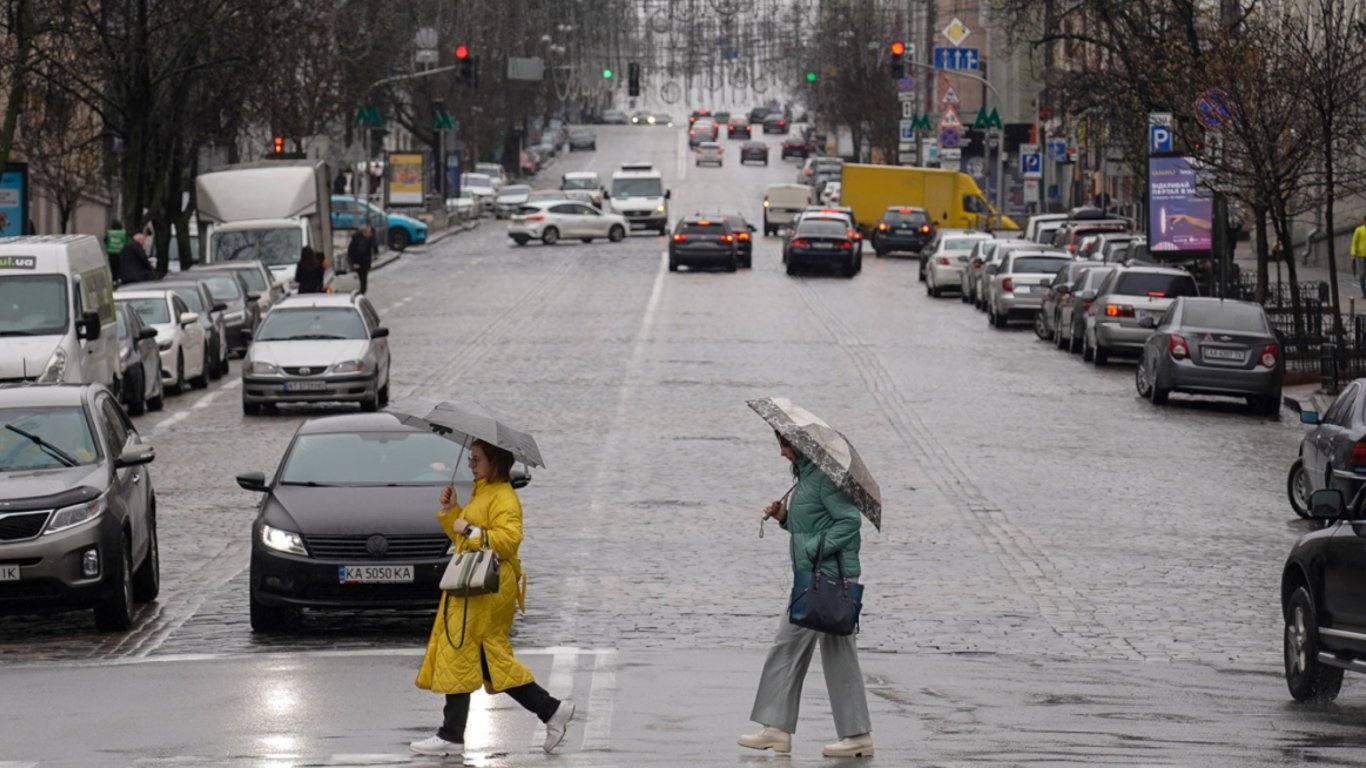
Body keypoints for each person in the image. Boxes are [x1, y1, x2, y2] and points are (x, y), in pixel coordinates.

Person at [412, 439, 575, 758]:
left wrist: (469, 528)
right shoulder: (484, 491)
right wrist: (451, 512)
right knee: (486, 660)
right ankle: (551, 710)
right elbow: (465, 536)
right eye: (471, 459)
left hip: (486, 589)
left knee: (459, 649)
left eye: (476, 460)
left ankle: (451, 734)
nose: (471, 465)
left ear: (495, 462)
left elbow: (508, 540)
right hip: (475, 586)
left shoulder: (504, 496)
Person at [739, 430, 873, 759]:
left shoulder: (824, 480)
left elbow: (849, 521)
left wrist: (814, 549)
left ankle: (851, 735)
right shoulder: (807, 478)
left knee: (813, 652)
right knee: (792, 649)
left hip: (828, 580)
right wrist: (784, 517)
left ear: (797, 447)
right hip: (813, 579)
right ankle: (779, 729)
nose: (782, 453)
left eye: (784, 446)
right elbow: (812, 523)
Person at [347, 225, 377, 293]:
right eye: (369, 232)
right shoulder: (359, 241)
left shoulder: (368, 239)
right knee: (359, 283)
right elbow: (353, 252)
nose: (370, 234)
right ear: (364, 232)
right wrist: (353, 263)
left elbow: (374, 247)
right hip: (358, 265)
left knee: (363, 283)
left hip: (364, 265)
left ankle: (361, 293)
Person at [1352, 214, 1366, 296]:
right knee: (1362, 274)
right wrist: (1353, 253)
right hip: (1361, 255)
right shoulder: (1359, 230)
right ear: (1363, 221)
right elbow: (1354, 242)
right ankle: (1364, 291)